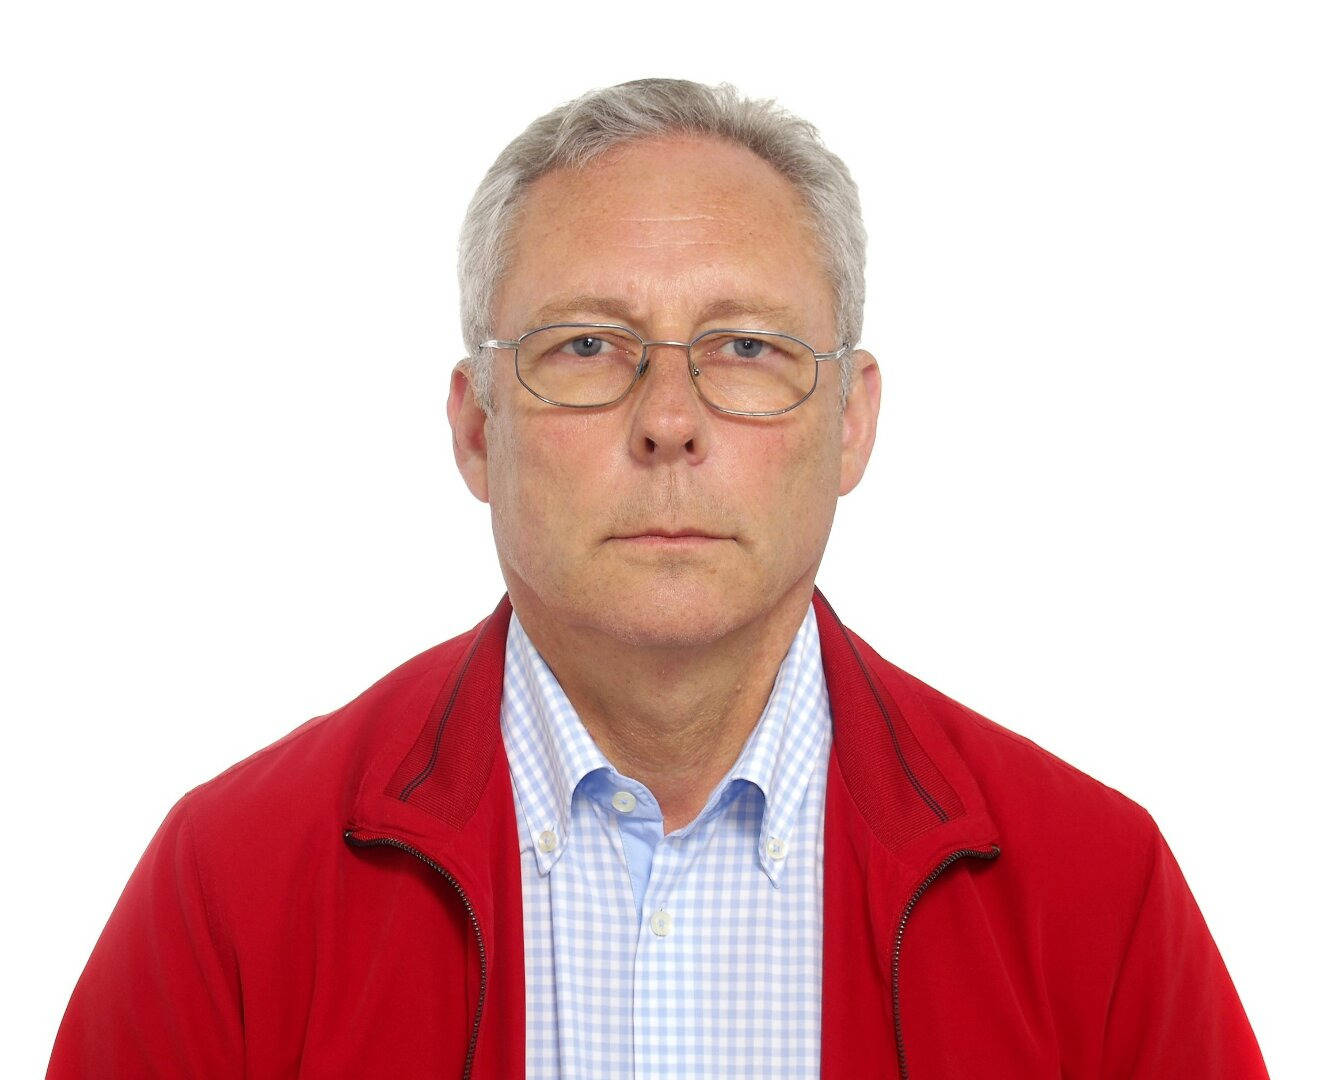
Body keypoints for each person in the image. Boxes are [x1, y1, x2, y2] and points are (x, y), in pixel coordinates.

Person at [47, 79, 1267, 1079]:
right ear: (476, 428)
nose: (669, 420)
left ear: (850, 423)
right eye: (587, 345)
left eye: (746, 347)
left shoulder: (1095, 894)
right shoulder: (232, 887)